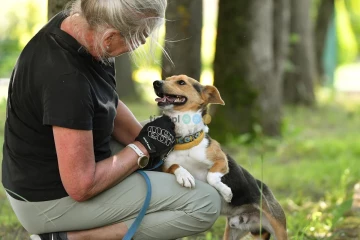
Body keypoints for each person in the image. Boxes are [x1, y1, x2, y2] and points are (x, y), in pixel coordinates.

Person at [1, 0, 221, 239]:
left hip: (51, 174)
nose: (144, 42)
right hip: (47, 201)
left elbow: (103, 99)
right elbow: (82, 186)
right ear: (110, 37)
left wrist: (152, 144)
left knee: (166, 169)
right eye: (141, 35)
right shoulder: (67, 80)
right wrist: (142, 148)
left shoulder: (80, 28)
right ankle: (68, 238)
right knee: (205, 203)